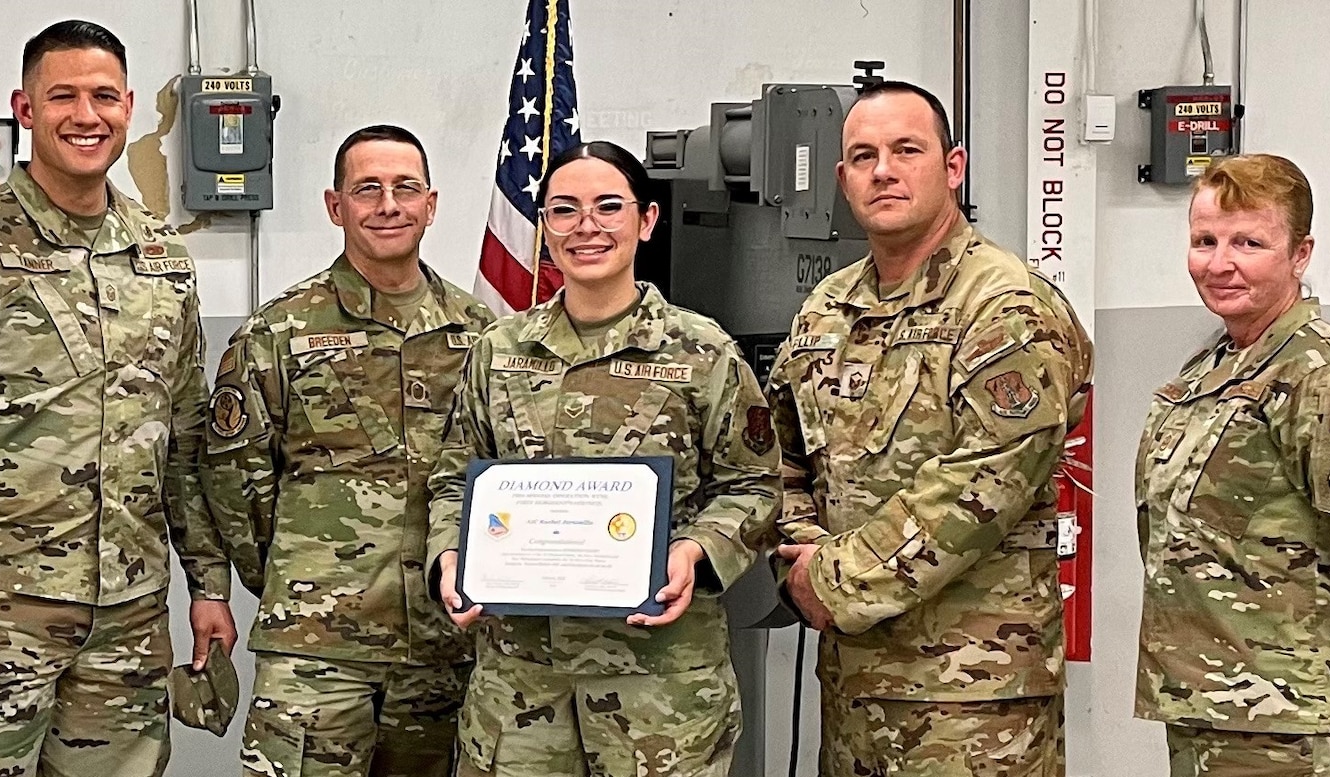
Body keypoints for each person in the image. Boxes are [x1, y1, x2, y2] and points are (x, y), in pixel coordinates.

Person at [0, 19, 234, 777]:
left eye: (103, 96)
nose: (85, 115)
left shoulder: (163, 259)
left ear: (129, 107)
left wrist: (209, 584)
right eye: (61, 96)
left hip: (126, 624)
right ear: (24, 110)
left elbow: (185, 440)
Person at [765, 80, 1092, 776]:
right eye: (863, 156)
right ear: (842, 179)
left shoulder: (1004, 304)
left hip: (972, 700)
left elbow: (984, 482)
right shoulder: (828, 308)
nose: (883, 170)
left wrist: (835, 578)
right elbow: (779, 454)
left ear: (953, 167)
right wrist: (798, 558)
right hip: (855, 687)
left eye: (906, 149)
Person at [426, 140, 780, 777]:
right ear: (544, 230)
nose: (586, 227)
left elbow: (754, 486)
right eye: (564, 210)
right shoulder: (498, 350)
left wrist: (695, 552)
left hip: (659, 686)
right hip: (520, 683)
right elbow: (455, 476)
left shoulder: (704, 353)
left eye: (608, 207)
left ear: (646, 221)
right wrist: (449, 557)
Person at [205, 125, 494, 776]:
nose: (388, 204)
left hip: (446, 647)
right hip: (317, 649)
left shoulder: (483, 335)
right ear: (336, 206)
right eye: (368, 189)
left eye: (405, 188)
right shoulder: (279, 331)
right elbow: (233, 480)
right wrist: (300, 579)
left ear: (431, 203)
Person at [1134, 153, 1330, 776]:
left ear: (1299, 254)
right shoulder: (1212, 368)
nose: (1219, 263)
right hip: (1215, 707)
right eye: (1205, 241)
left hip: (1298, 718)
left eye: (1249, 242)